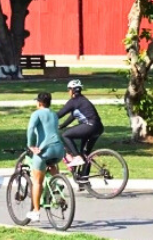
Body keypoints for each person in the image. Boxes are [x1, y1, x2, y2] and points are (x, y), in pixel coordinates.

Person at [25, 91, 66, 225]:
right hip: (59, 149)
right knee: (51, 164)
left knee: (37, 182)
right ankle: (57, 186)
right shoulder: (54, 114)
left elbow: (31, 129)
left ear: (40, 103)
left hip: (45, 150)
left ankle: (36, 212)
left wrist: (31, 145)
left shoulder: (36, 114)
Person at [57, 78, 103, 175]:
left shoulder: (74, 101)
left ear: (72, 90)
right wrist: (62, 126)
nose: (68, 91)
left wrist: (47, 117)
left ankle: (76, 157)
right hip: (98, 128)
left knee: (65, 135)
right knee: (85, 154)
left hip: (89, 126)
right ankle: (84, 178)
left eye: (69, 89)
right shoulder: (83, 100)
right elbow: (73, 116)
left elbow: (60, 114)